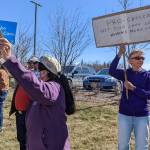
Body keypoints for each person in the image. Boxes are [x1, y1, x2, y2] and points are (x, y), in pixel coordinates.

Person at [0, 37, 75, 150]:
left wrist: (10, 59)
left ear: (50, 73)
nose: (39, 74)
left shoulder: (55, 88)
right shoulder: (45, 87)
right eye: (39, 70)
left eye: (42, 70)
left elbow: (36, 87)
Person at [109, 44, 150, 150]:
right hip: (124, 115)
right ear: (129, 61)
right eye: (137, 58)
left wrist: (134, 88)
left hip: (142, 116)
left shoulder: (147, 75)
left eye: (142, 58)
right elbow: (111, 71)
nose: (140, 60)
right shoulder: (125, 73)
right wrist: (119, 54)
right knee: (122, 145)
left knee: (141, 146)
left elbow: (149, 95)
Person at [0, 65, 9, 132]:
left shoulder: (1, 71)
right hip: (5, 90)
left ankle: (0, 127)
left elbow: (3, 82)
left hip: (2, 90)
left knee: (0, 109)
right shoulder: (6, 72)